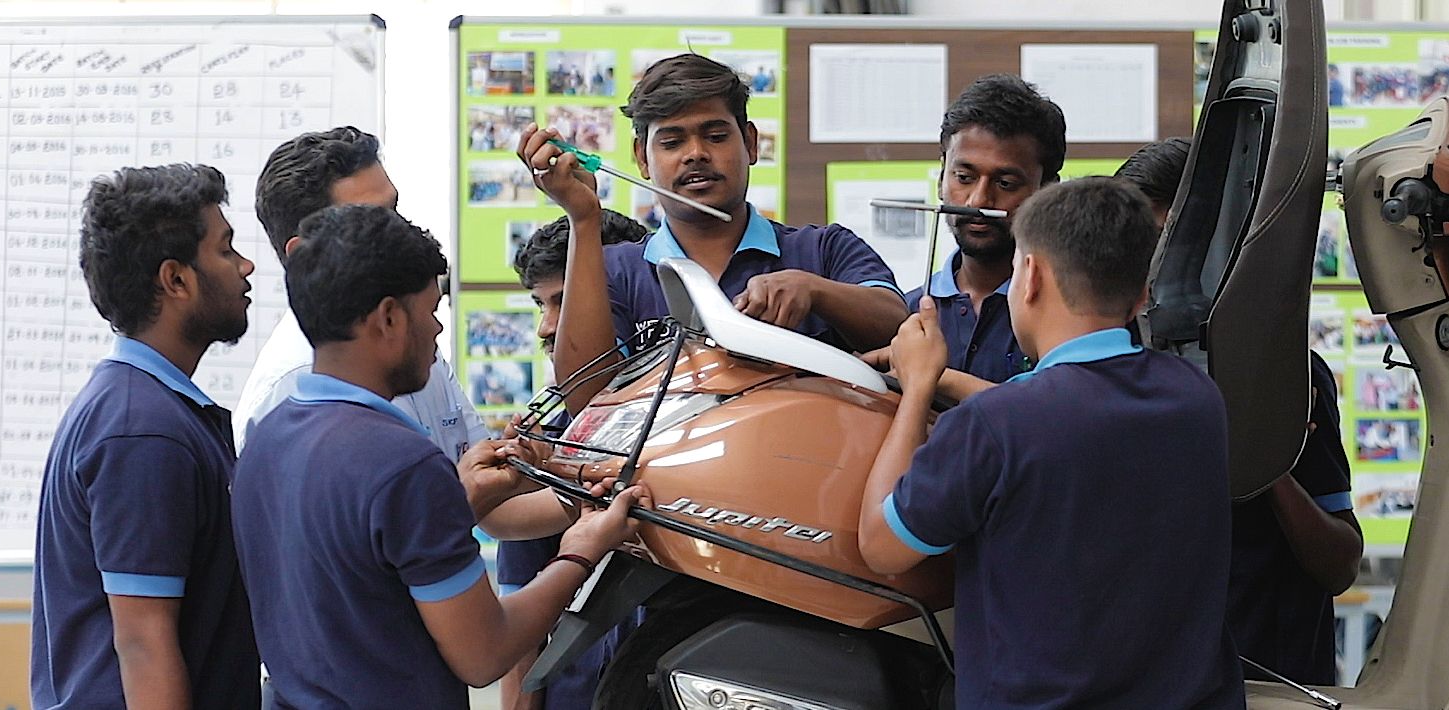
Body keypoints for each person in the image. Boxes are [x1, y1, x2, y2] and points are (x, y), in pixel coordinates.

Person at [233, 204, 647, 708]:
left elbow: (358, 571)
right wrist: (581, 549)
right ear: (388, 318)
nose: (436, 331)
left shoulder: (268, 435)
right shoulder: (403, 463)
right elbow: (483, 653)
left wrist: (459, 501)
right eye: (430, 311)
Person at [857, 177, 1244, 708]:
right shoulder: (1198, 400)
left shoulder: (994, 427)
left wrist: (918, 386)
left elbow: (882, 546)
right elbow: (1067, 416)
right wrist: (948, 381)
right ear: (1141, 295)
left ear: (1030, 275)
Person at [518, 52, 908, 413]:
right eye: (672, 142)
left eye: (716, 136)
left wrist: (814, 290)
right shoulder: (614, 269)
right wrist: (584, 219)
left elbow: (900, 330)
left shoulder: (824, 250)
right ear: (642, 159)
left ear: (751, 143)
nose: (696, 154)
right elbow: (584, 402)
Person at [1118, 135, 1364, 684]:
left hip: (1266, 678)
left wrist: (1264, 459)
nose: (1151, 269)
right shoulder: (1104, 369)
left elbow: (1339, 564)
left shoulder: (1286, 375)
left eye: (1167, 246)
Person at [32, 164, 259, 709]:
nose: (246, 266)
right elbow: (143, 645)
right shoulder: (143, 432)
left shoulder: (155, 411)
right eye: (226, 250)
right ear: (176, 280)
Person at [234, 126, 487, 462]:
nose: (402, 232)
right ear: (304, 254)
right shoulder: (290, 385)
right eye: (374, 220)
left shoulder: (414, 335)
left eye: (395, 211)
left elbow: (482, 484)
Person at [493, 210, 650, 710]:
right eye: (540, 304)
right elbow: (522, 605)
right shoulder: (555, 427)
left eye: (564, 301)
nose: (548, 326)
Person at [863, 74, 1067, 399]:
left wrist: (939, 379)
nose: (978, 201)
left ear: (1047, 192)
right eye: (964, 177)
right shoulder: (907, 313)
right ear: (941, 177)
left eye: (1006, 183)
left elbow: (1061, 423)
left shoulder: (1069, 313)